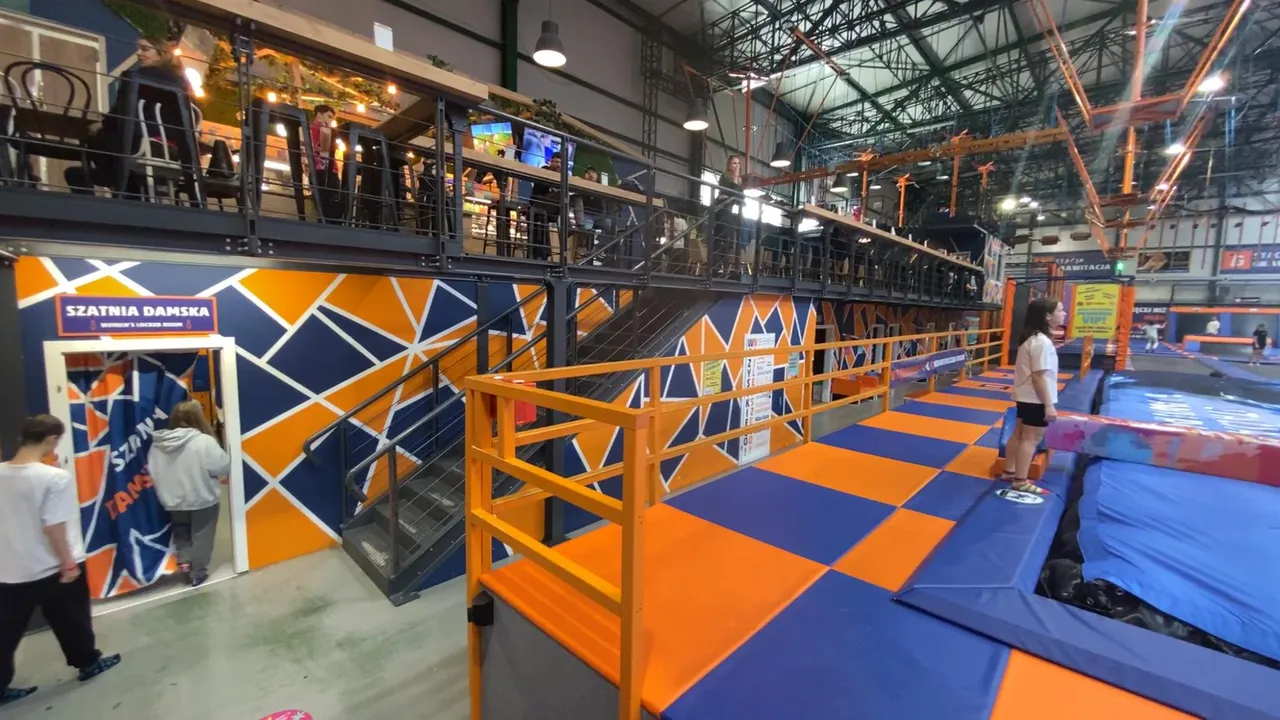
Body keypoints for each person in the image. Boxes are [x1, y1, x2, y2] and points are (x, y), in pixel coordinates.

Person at [1, 416, 120, 706]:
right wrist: (68, 562)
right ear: (51, 439)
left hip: (12, 568)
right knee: (73, 621)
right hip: (52, 567)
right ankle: (88, 663)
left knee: (6, 632)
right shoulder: (54, 478)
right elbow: (53, 526)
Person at [65, 34, 191, 198]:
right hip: (173, 150)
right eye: (138, 49)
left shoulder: (136, 77)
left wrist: (101, 126)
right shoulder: (182, 84)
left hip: (137, 143)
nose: (138, 53)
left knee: (95, 140)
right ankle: (126, 184)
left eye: (145, 49)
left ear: (161, 53)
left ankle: (115, 183)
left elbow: (120, 114)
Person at [147, 401, 230, 588]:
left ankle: (184, 565)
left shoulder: (158, 444)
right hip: (202, 498)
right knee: (202, 535)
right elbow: (222, 466)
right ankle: (197, 573)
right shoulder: (204, 441)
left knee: (181, 532)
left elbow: (152, 471)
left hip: (172, 500)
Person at [999, 297, 1067, 495]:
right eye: (1060, 310)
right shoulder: (1041, 342)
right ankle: (1020, 481)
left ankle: (1010, 471)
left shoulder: (1032, 339)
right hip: (1035, 398)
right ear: (1047, 316)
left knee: (1019, 434)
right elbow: (1038, 376)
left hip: (1026, 395)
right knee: (1030, 439)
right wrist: (1048, 405)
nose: (1064, 314)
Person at [309, 105, 344, 222]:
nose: (331, 121)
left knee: (322, 202)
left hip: (317, 168)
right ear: (319, 114)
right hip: (325, 169)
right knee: (333, 200)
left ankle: (323, 222)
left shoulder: (309, 128)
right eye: (329, 116)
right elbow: (325, 150)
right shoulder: (323, 128)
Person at [528, 152, 565, 261]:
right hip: (539, 202)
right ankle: (566, 226)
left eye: (560, 163)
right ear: (551, 162)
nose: (558, 165)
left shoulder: (562, 176)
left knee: (565, 196)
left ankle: (546, 252)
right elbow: (540, 189)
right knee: (561, 195)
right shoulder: (544, 170)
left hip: (550, 208)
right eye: (556, 162)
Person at [712, 155, 743, 276]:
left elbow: (740, 196)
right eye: (734, 163)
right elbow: (732, 192)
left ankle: (724, 268)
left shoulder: (739, 180)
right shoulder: (725, 176)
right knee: (720, 239)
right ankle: (716, 268)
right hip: (721, 210)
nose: (737, 166)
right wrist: (734, 180)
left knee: (729, 242)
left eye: (738, 163)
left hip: (730, 212)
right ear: (729, 165)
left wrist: (734, 193)